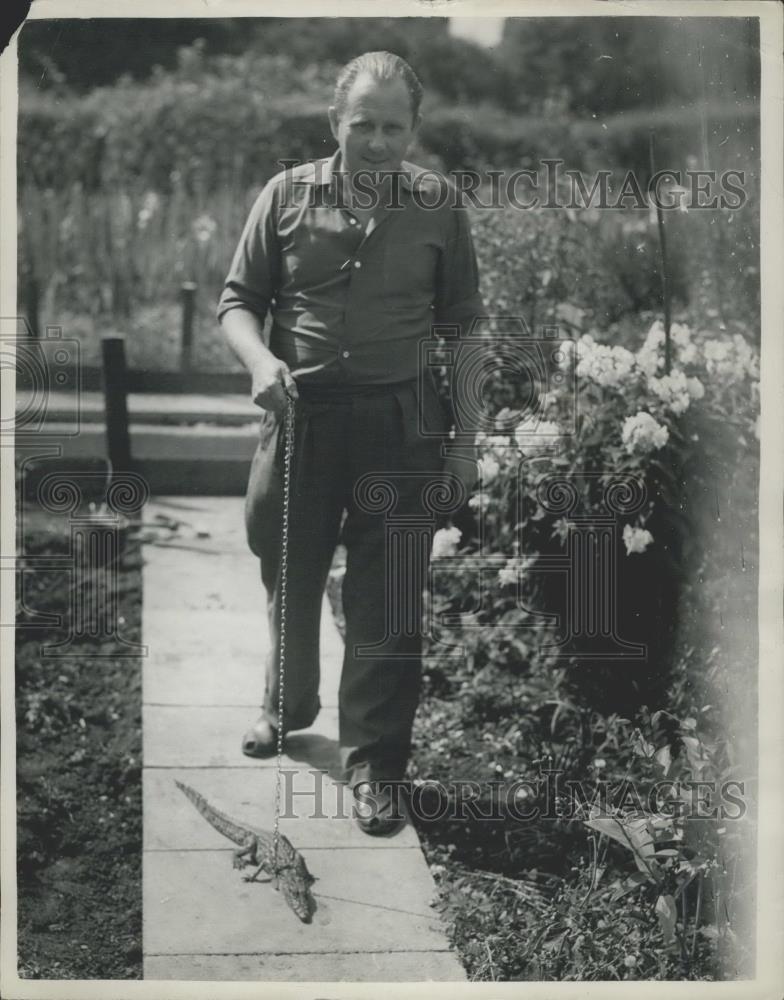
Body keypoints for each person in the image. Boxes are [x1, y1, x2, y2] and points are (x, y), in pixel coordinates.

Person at [217, 50, 484, 834]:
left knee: (389, 599)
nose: (375, 141)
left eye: (391, 127)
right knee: (287, 568)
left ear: (414, 129)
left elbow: (464, 327)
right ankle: (284, 707)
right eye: (361, 123)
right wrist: (260, 357)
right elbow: (239, 301)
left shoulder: (438, 203)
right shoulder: (285, 195)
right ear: (335, 122)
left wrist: (464, 444)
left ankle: (375, 766)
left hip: (401, 426)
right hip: (301, 420)